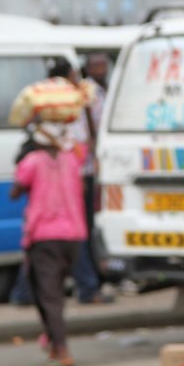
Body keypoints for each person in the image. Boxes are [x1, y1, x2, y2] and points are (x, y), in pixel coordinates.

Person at [10, 118, 87, 366]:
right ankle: (54, 342)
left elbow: (15, 190)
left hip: (44, 237)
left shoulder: (33, 162)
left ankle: (61, 348)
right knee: (54, 293)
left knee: (48, 295)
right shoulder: (72, 159)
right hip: (73, 235)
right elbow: (85, 148)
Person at [67, 53, 113, 304]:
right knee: (82, 230)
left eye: (103, 65)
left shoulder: (101, 91)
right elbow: (82, 138)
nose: (100, 69)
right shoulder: (86, 95)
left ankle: (92, 282)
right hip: (82, 173)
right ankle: (88, 286)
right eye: (95, 65)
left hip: (91, 171)